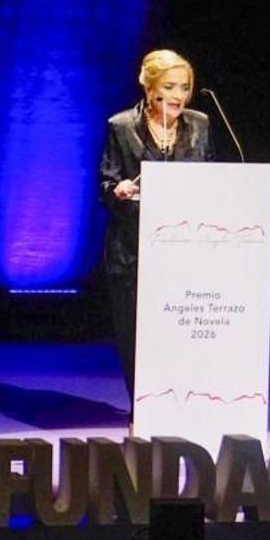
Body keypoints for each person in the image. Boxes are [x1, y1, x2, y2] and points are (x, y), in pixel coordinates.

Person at [99, 49, 215, 406]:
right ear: (149, 88)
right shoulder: (121, 126)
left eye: (184, 87)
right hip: (132, 251)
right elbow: (105, 186)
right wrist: (117, 190)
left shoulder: (200, 124)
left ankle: (179, 402)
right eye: (168, 86)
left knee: (178, 334)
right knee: (135, 335)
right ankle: (143, 405)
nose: (177, 95)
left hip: (184, 250)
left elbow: (213, 176)